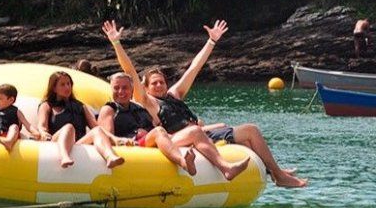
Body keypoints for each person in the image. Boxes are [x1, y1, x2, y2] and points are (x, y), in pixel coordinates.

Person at [103, 20, 301, 186]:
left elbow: (194, 68)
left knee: (251, 130)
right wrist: (116, 43)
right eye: (154, 83)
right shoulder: (147, 102)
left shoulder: (175, 94)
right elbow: (129, 70)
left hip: (201, 134)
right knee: (197, 131)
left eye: (162, 82)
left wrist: (212, 41)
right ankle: (229, 168)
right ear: (145, 88)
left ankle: (276, 173)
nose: (159, 86)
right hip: (175, 139)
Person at [97, 72, 198, 175]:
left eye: (125, 88)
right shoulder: (109, 110)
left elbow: (153, 129)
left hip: (149, 142)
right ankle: (183, 162)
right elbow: (107, 137)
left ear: (132, 90)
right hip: (132, 146)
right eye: (116, 88)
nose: (120, 91)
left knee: (192, 132)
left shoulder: (140, 108)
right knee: (159, 131)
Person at [36, 70, 124, 169]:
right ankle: (64, 157)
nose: (67, 87)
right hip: (55, 143)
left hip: (77, 145)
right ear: (54, 88)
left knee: (97, 130)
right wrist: (43, 133)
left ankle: (110, 157)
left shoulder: (80, 106)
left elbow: (96, 127)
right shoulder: (47, 105)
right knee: (69, 128)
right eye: (62, 84)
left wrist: (115, 139)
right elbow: (42, 126)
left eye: (69, 84)